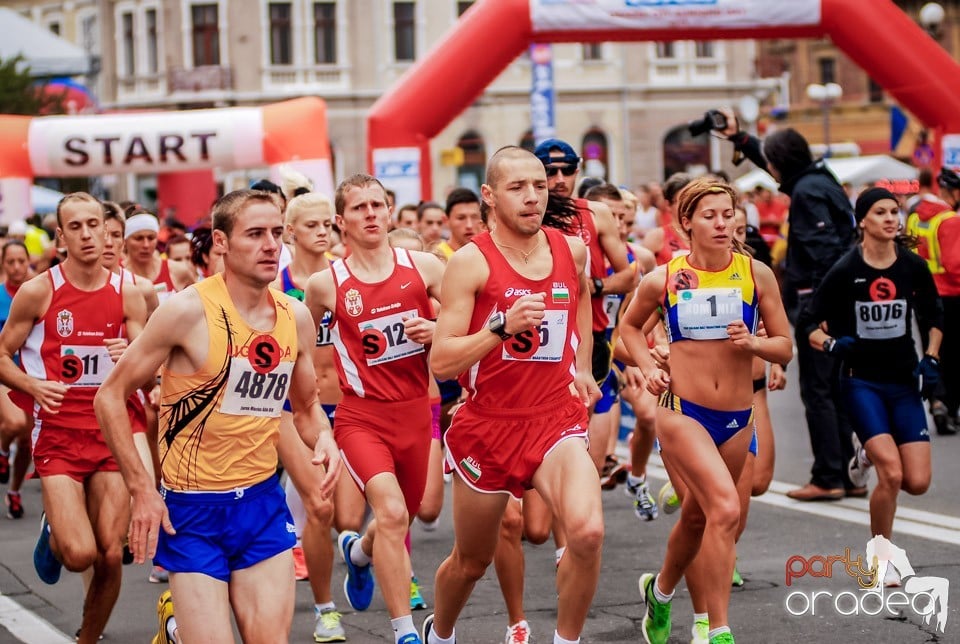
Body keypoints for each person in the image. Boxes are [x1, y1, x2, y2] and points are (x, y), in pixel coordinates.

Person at [94, 189, 340, 644]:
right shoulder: (186, 311)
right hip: (191, 512)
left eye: (275, 233)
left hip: (262, 506)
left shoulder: (296, 316)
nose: (271, 245)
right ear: (221, 242)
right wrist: (142, 490)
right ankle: (178, 625)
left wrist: (324, 437)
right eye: (254, 234)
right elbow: (109, 396)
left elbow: (306, 409)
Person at [423, 146, 602, 644]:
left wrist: (583, 365)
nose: (531, 198)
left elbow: (582, 297)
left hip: (554, 418)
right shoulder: (469, 263)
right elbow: (442, 361)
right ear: (490, 195)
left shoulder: (572, 249)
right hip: (488, 425)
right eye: (516, 188)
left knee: (586, 533)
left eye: (540, 186)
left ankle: (565, 640)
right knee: (471, 562)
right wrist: (500, 329)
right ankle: (440, 633)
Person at [620, 179, 792, 644]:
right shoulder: (665, 278)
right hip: (682, 410)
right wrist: (646, 365)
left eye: (728, 213)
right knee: (724, 507)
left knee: (697, 517)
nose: (722, 223)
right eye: (710, 215)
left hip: (737, 416)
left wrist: (754, 342)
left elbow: (785, 347)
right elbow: (628, 329)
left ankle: (659, 592)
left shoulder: (756, 274)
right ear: (687, 222)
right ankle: (716, 629)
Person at [0, 193, 148, 644]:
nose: (87, 235)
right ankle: (56, 528)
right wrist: (32, 386)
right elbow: (2, 354)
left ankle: (87, 638)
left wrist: (133, 356)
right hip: (59, 435)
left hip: (110, 431)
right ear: (60, 236)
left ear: (107, 231)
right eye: (75, 228)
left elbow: (145, 359)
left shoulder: (129, 290)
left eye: (93, 225)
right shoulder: (39, 290)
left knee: (109, 552)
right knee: (80, 554)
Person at [305, 173, 444, 644]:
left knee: (399, 516)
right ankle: (404, 631)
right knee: (390, 512)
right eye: (359, 208)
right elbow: (306, 352)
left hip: (414, 414)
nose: (370, 214)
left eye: (377, 205)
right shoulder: (325, 285)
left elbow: (470, 319)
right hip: (361, 417)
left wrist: (436, 325)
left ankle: (358, 554)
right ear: (341, 222)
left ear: (389, 212)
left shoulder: (424, 267)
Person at [804, 187, 942, 587]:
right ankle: (882, 559)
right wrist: (832, 344)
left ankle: (863, 453)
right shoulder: (846, 270)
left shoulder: (912, 267)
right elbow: (808, 325)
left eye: (894, 212)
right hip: (860, 381)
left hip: (903, 383)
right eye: (880, 212)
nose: (890, 219)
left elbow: (934, 316)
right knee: (893, 475)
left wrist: (931, 358)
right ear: (861, 220)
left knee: (917, 483)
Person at [721, 111, 858, 501]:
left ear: (784, 163)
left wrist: (820, 313)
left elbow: (825, 253)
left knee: (820, 390)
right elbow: (781, 168)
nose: (773, 170)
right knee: (833, 387)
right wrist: (742, 140)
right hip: (833, 302)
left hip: (819, 305)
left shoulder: (808, 192)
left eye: (773, 162)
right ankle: (847, 474)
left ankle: (829, 475)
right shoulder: (818, 178)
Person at [269, 190, 347, 642]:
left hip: (350, 404)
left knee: (347, 514)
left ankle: (361, 556)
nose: (323, 232)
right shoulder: (277, 283)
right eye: (313, 225)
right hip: (293, 407)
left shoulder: (346, 276)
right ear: (290, 231)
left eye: (327, 225)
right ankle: (325, 609)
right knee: (319, 505)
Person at [534, 138, 635, 387]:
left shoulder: (595, 213)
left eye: (567, 170)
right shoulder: (525, 214)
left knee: (580, 416)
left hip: (590, 334)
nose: (559, 178)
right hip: (538, 330)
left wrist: (595, 286)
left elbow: (628, 277)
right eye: (550, 171)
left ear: (576, 172)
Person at [905, 167, 960, 435]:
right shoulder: (949, 220)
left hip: (922, 294)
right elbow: (954, 264)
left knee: (931, 350)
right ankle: (948, 406)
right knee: (953, 355)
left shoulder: (916, 216)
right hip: (951, 295)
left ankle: (936, 400)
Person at [0, 241, 34, 520]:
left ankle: (14, 491)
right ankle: (1, 450)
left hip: (33, 376)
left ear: (28, 261)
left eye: (21, 261)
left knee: (25, 443)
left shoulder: (38, 292)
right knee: (15, 422)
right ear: (3, 264)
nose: (16, 267)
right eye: (10, 262)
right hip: (5, 372)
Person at [123, 213, 196, 301]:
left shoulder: (178, 270)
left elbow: (199, 305)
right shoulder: (117, 275)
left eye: (151, 238)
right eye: (139, 238)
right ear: (125, 241)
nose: (146, 245)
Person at [435, 188, 483, 260]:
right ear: (446, 220)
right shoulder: (437, 257)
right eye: (461, 218)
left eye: (474, 217)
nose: (469, 225)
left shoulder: (488, 256)